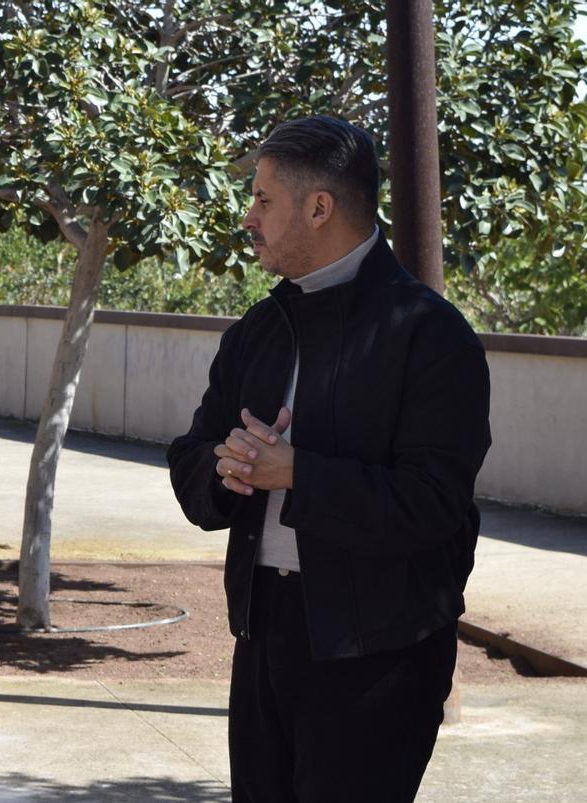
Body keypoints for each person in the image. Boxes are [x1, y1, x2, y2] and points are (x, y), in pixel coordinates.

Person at [166, 116, 491, 802]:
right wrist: (226, 467)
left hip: (381, 656)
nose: (249, 218)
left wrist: (296, 473)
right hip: (264, 636)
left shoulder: (429, 335)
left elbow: (434, 502)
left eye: (264, 200)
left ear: (319, 208)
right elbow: (191, 453)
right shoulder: (259, 329)